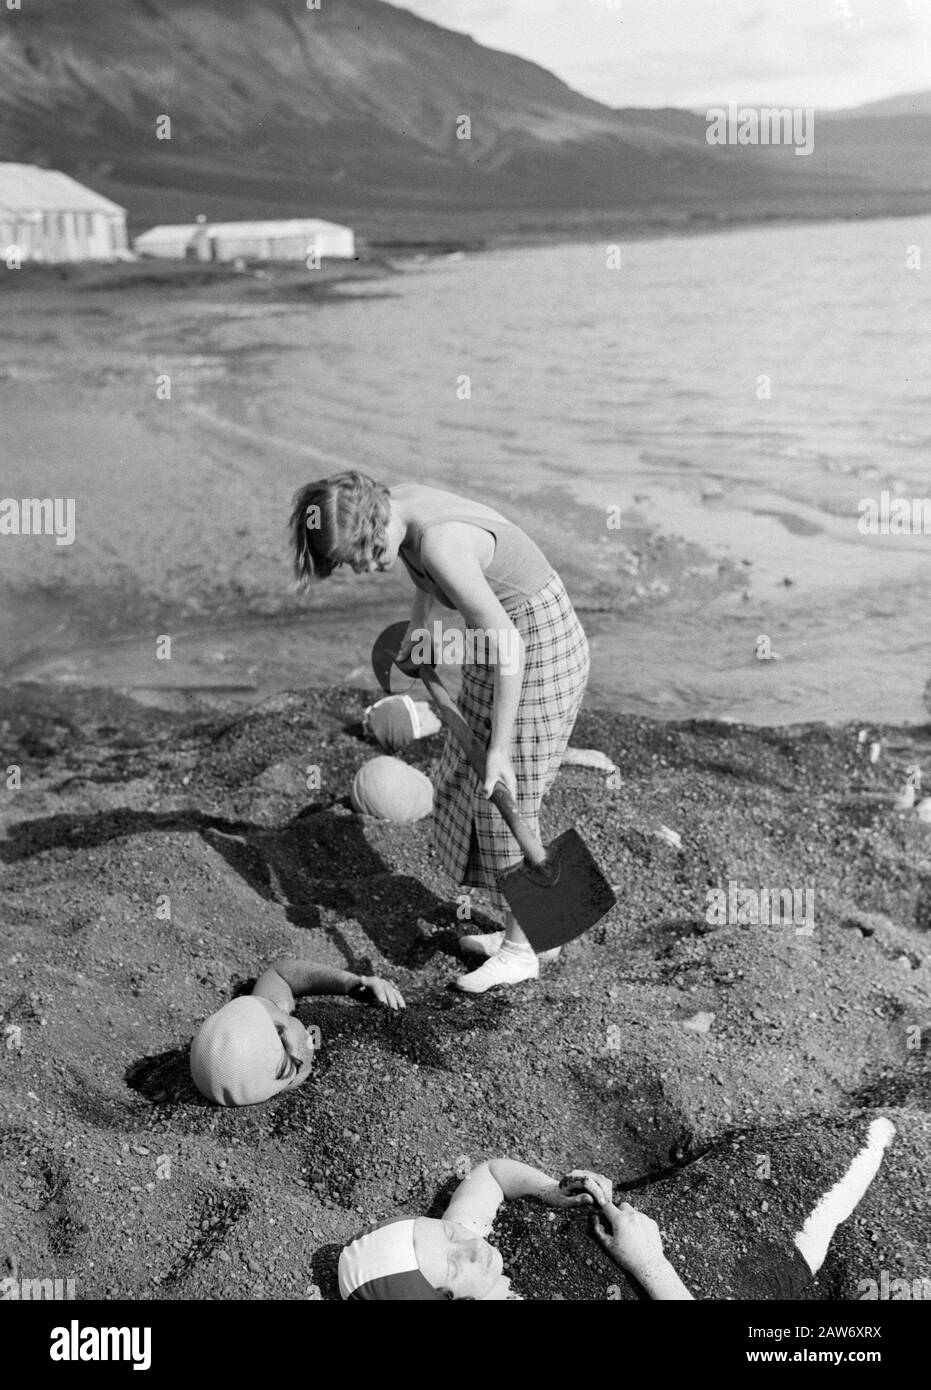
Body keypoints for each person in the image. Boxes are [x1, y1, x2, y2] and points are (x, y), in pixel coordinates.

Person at [290, 472, 591, 993]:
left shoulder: (441, 542)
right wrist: (420, 633)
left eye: (366, 551)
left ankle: (522, 952)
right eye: (350, 561)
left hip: (534, 646)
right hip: (499, 636)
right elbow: (426, 582)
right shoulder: (399, 510)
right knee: (469, 784)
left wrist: (499, 749)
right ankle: (540, 928)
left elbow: (511, 646)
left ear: (376, 517)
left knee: (506, 789)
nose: (363, 567)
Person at [337, 1156, 692, 1300]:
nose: (473, 1247)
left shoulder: (463, 1238)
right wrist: (651, 1265)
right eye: (455, 1266)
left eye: (447, 1233)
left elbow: (492, 1173)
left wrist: (551, 1192)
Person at [189, 956, 405, 1106]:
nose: (281, 1009)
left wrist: (350, 982)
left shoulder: (265, 1046)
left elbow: (279, 974)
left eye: (273, 1007)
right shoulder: (276, 1046)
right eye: (278, 1013)